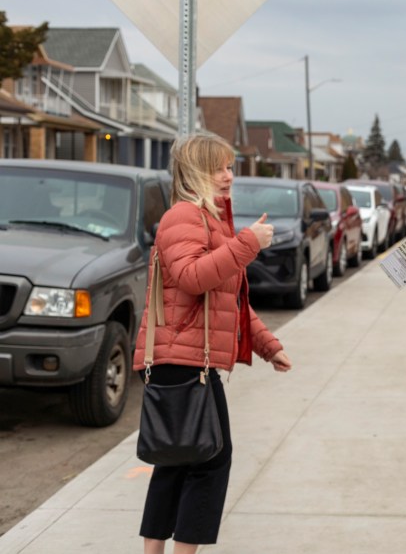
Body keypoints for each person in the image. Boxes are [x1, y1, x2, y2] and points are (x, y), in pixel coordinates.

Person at [132, 133, 292, 554]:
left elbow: (227, 301)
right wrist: (247, 245)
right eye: (219, 168)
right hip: (181, 360)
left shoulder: (208, 221)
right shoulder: (182, 217)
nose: (229, 176)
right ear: (196, 172)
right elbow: (192, 277)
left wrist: (267, 345)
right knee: (209, 462)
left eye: (230, 166)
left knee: (177, 462)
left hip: (183, 361)